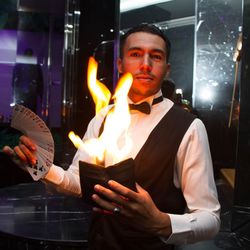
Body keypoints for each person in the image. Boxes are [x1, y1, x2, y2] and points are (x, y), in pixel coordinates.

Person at [3, 24, 220, 249]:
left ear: (167, 69)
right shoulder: (103, 117)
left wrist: (161, 222)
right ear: (120, 64)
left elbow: (210, 218)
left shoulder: (190, 127)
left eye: (156, 56)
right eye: (135, 54)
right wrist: (43, 168)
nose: (145, 64)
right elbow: (78, 182)